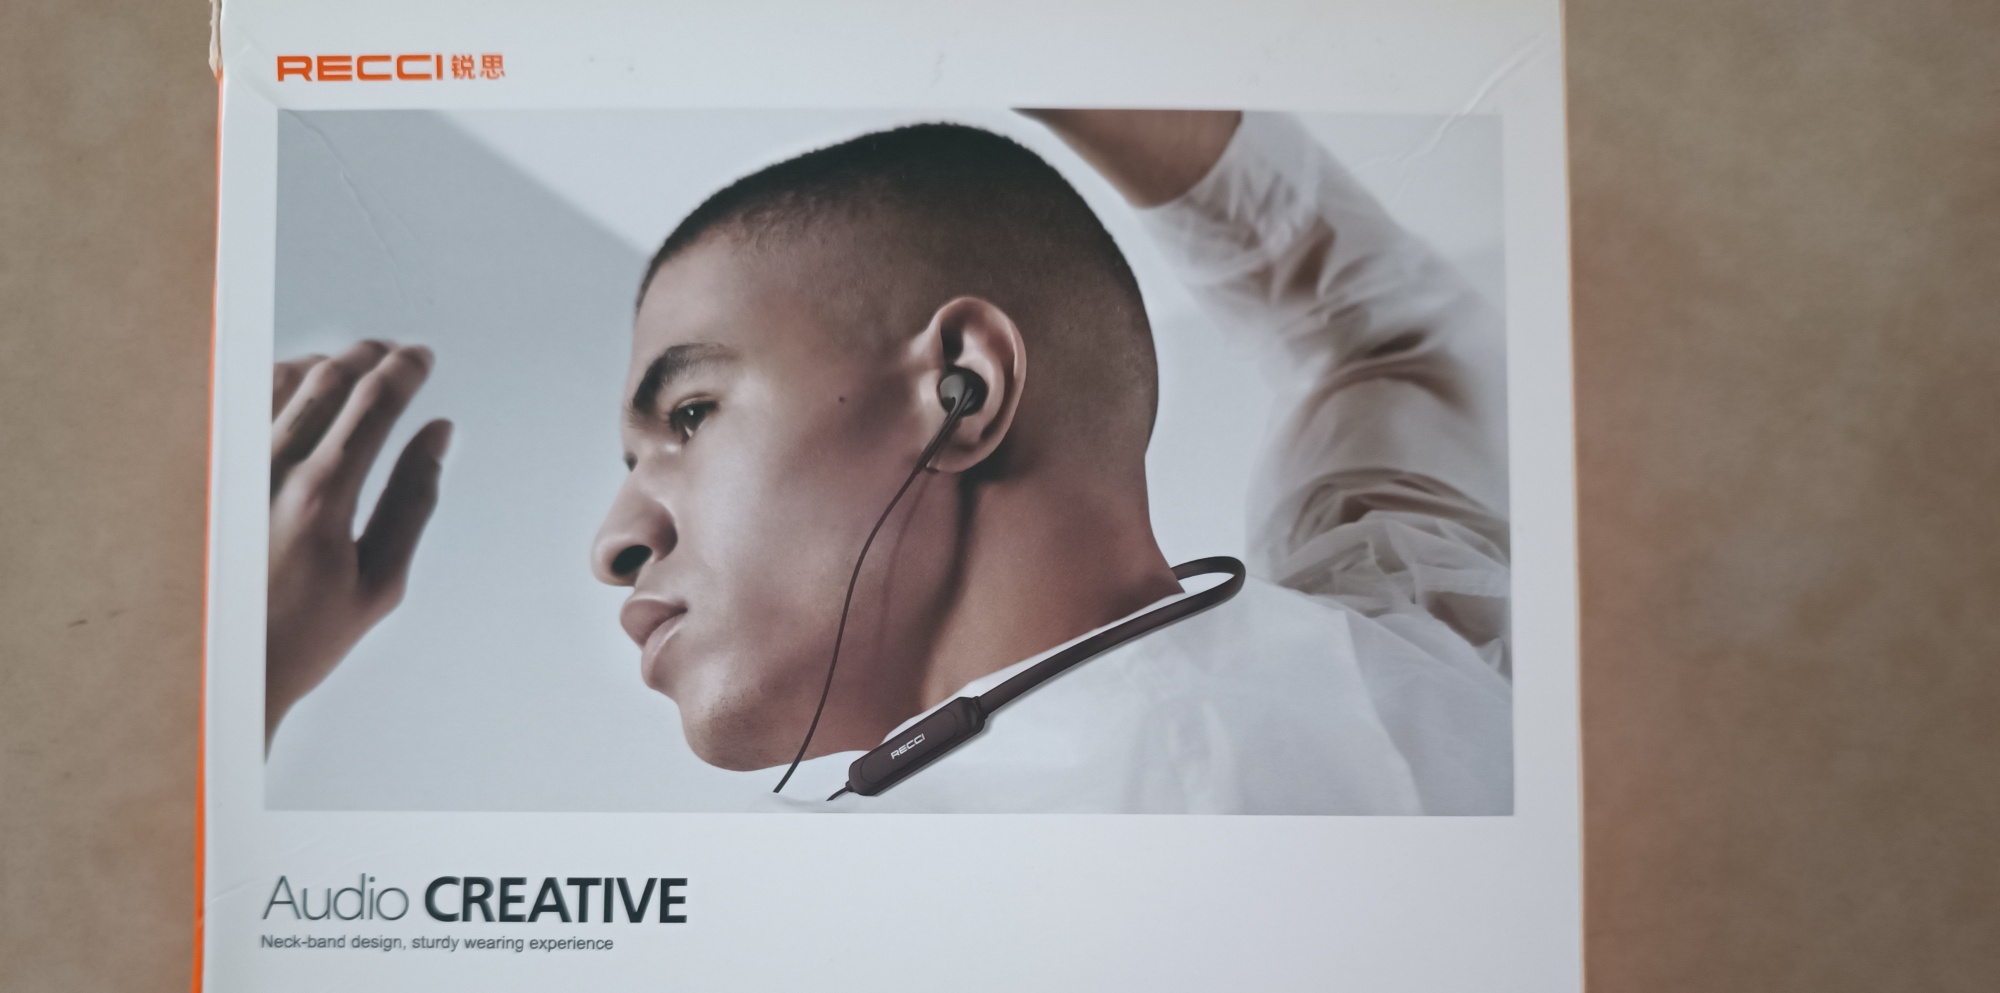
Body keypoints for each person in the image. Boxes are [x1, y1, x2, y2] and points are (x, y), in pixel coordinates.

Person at [265, 111, 1510, 813]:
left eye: (689, 414)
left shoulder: (780, 972)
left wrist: (238, 675)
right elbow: (1386, 338)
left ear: (961, 391)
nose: (615, 540)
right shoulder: (1414, 660)